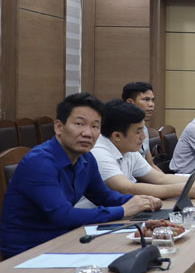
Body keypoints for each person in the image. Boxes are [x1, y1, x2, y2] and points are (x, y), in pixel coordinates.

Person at [0, 93, 161, 258]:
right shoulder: (39, 162)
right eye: (79, 124)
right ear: (59, 127)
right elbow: (63, 215)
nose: (88, 133)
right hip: (27, 252)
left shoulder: (86, 158)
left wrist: (142, 201)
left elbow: (104, 197)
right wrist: (123, 210)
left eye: (95, 126)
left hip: (65, 240)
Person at [75, 100, 195, 208]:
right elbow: (126, 188)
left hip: (118, 211)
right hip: (87, 223)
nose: (144, 137)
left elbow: (159, 178)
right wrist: (182, 189)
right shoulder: (99, 153)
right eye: (138, 131)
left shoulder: (127, 148)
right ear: (117, 135)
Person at [122, 81, 163, 172]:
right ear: (130, 102)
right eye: (146, 99)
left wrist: (166, 178)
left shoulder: (144, 128)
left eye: (152, 100)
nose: (151, 104)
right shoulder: (122, 129)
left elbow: (150, 164)